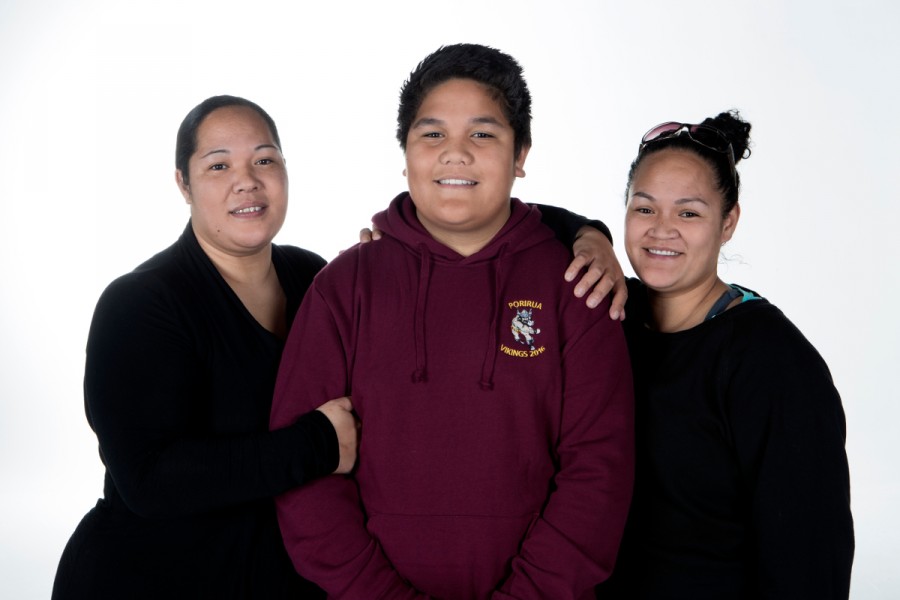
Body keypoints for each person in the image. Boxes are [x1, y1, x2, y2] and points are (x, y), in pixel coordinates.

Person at [270, 43, 635, 599]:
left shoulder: (578, 286)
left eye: (483, 134)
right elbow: (302, 474)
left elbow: (599, 474)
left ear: (521, 155)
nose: (455, 154)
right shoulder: (344, 287)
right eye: (432, 134)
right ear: (405, 152)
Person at [51, 95, 359, 599]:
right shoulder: (141, 302)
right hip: (148, 580)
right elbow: (150, 480)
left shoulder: (311, 276)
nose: (248, 180)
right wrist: (320, 445)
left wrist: (379, 279)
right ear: (184, 184)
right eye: (219, 165)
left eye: (265, 159)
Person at [596, 112, 854, 598]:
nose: (661, 231)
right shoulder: (609, 315)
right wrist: (588, 234)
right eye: (644, 209)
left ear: (728, 221)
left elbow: (810, 563)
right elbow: (519, 227)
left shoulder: (773, 362)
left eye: (689, 213)